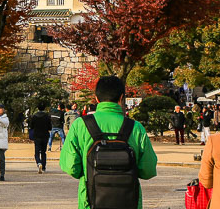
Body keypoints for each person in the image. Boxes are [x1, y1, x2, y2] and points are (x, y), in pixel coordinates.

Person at [60, 76, 157, 209]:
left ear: (97, 98)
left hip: (90, 202)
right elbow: (148, 171)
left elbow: (71, 167)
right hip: (128, 203)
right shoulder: (136, 127)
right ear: (121, 98)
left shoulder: (80, 125)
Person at [29, 101, 52, 174]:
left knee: (37, 151)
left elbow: (31, 126)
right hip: (45, 135)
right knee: (43, 152)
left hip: (37, 135)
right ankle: (44, 167)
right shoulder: (47, 116)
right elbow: (50, 127)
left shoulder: (34, 116)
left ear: (38, 108)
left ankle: (39, 163)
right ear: (44, 108)